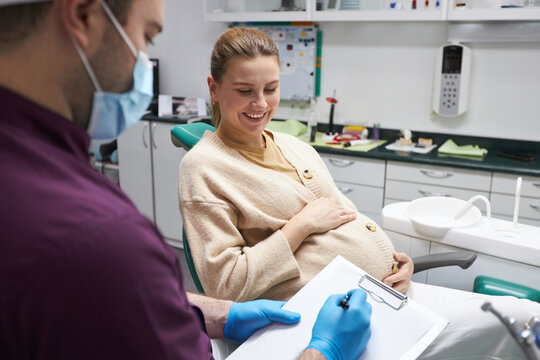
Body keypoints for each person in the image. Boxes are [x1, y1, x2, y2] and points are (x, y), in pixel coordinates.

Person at [0, 1, 373, 359]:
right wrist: (324, 352)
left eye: (270, 89)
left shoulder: (295, 146)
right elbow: (224, 280)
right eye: (147, 37)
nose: (144, 65)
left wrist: (213, 315)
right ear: (81, 15)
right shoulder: (101, 236)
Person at [179, 27, 540, 359]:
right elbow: (226, 287)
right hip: (329, 321)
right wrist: (299, 227)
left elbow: (347, 219)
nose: (260, 104)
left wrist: (400, 263)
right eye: (244, 91)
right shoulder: (204, 168)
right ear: (214, 88)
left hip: (387, 292)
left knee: (525, 317)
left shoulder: (294, 146)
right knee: (519, 321)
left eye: (270, 89)